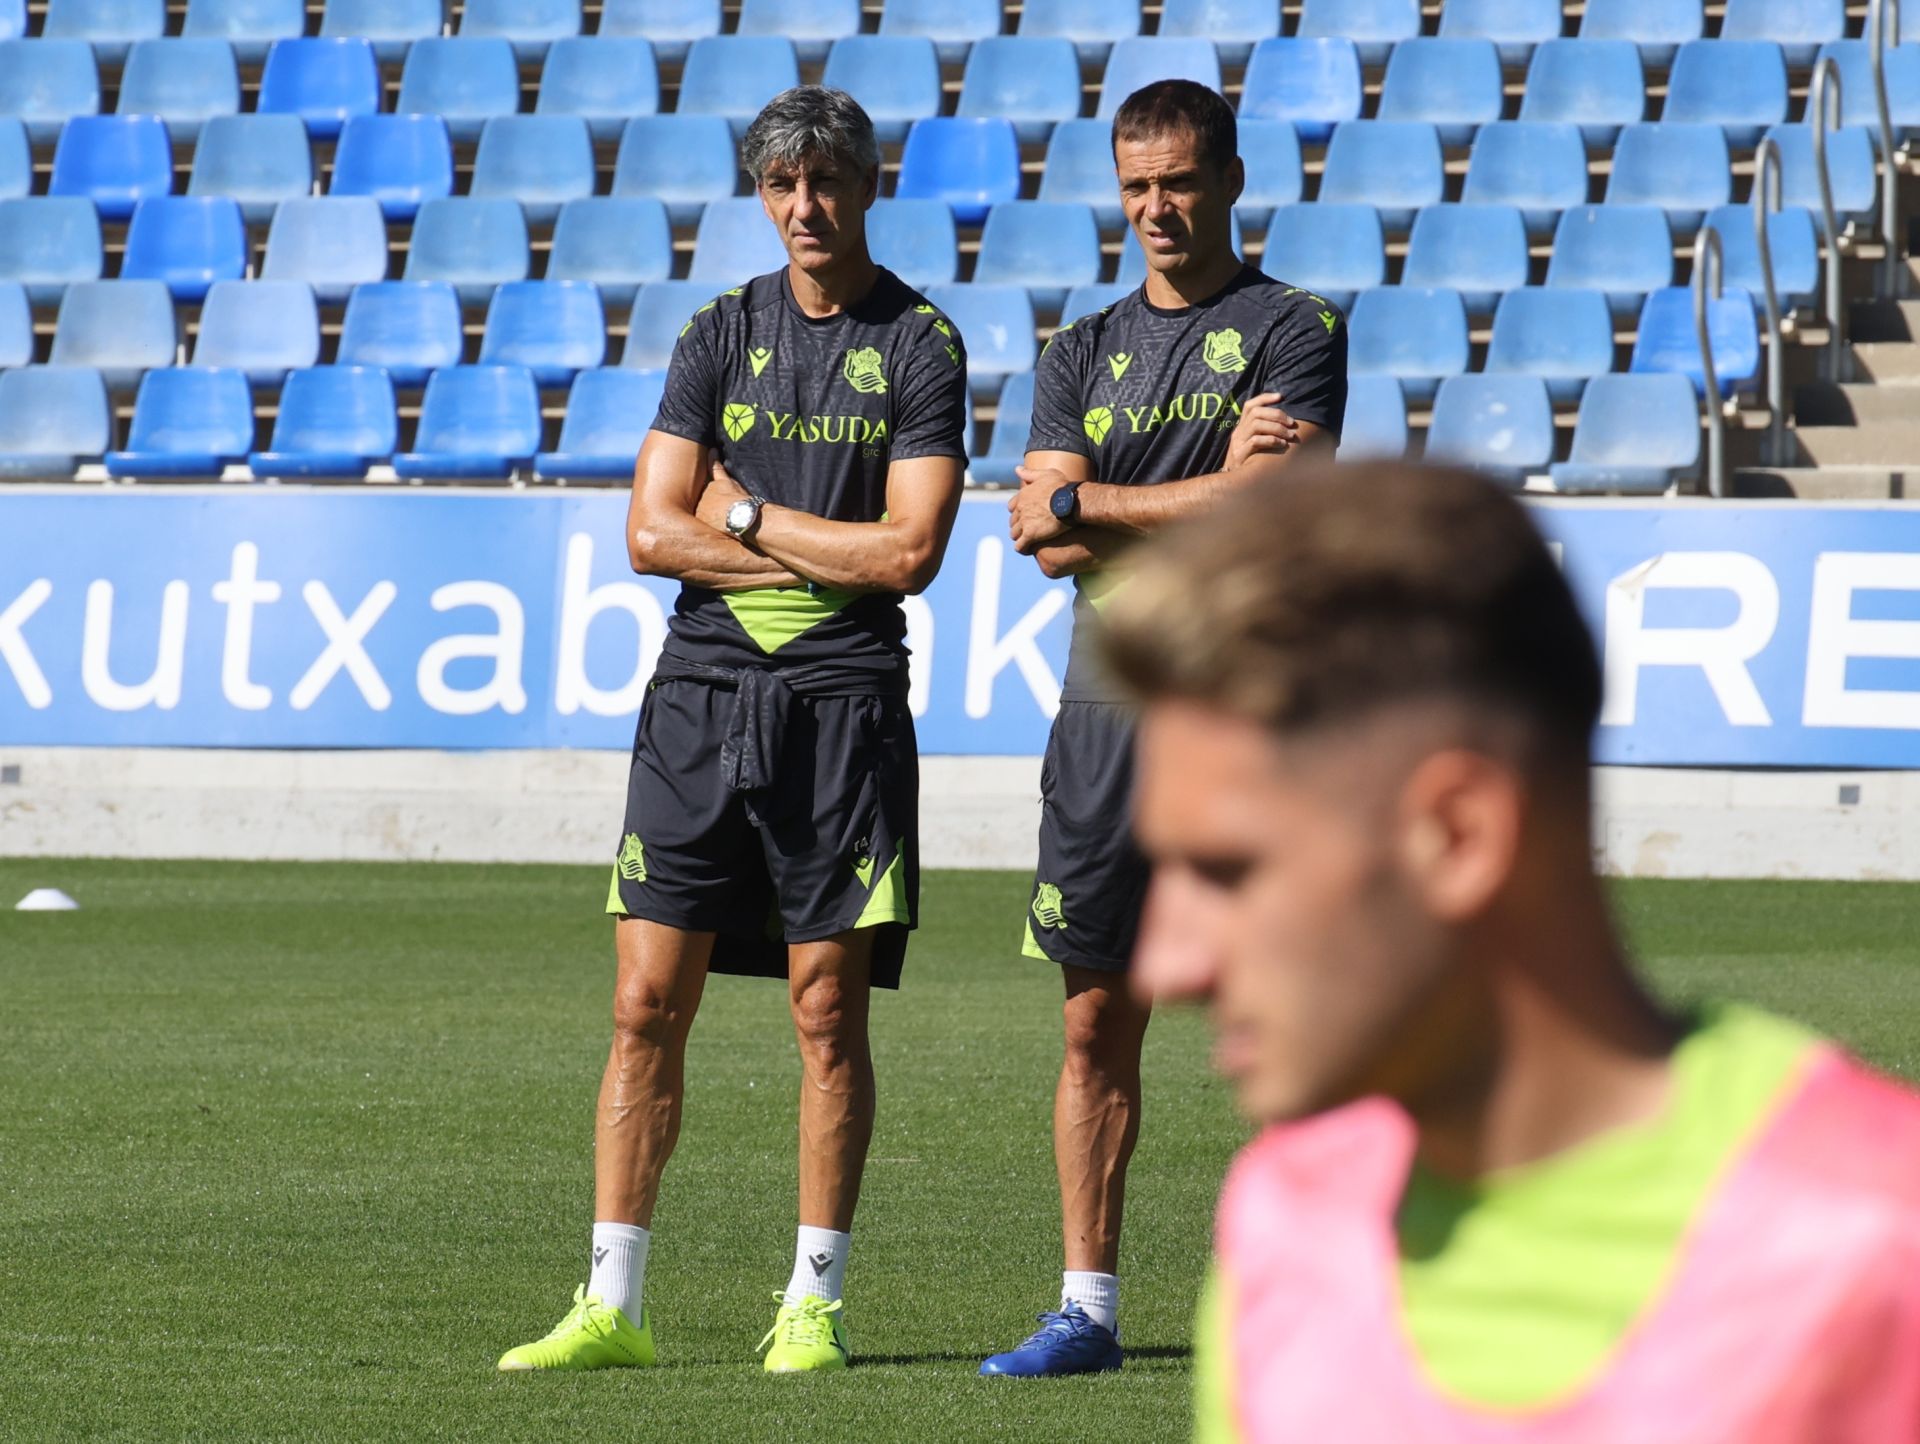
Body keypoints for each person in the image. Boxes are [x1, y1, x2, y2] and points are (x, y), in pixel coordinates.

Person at [1105, 461, 1920, 1441]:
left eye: (1228, 871)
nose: (1166, 964)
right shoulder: (1286, 1219)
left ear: (1460, 836)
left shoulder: (1878, 1240)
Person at [498, 86, 970, 1376]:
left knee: (828, 1014)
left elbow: (912, 553)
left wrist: (752, 523)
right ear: (761, 195)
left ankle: (811, 1301)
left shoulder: (922, 342)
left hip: (841, 711)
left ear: (869, 186)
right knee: (646, 1001)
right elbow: (649, 531)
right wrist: (825, 555)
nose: (804, 207)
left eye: (825, 183)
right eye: (780, 186)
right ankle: (613, 1303)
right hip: (698, 700)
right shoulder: (719, 330)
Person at [979, 80, 1348, 1378]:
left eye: (1180, 182)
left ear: (1232, 181)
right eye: (1137, 186)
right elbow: (1037, 535)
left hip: (1248, 701)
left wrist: (1096, 495)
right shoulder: (1075, 350)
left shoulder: (1297, 329)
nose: (1157, 210)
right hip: (1104, 703)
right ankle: (1086, 1308)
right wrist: (1180, 492)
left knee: (1287, 1007)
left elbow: (1256, 515)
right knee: (1094, 1015)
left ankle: (1315, 1295)